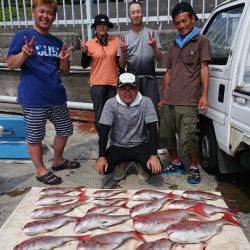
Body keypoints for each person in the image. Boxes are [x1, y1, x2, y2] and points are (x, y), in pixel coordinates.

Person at [6, 0, 80, 185]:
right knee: (35, 136)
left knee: (65, 129)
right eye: (42, 11)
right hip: (33, 98)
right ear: (33, 12)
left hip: (56, 97)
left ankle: (58, 160)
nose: (45, 16)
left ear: (54, 17)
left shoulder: (56, 42)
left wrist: (64, 61)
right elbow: (10, 65)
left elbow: (65, 72)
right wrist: (24, 54)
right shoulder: (22, 36)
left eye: (50, 13)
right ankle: (40, 170)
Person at [158, 2, 211, 184]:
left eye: (184, 21)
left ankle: (194, 167)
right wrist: (162, 98)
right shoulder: (173, 45)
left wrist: (204, 95)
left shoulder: (202, 41)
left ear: (193, 19)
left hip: (188, 100)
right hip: (169, 100)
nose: (181, 26)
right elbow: (169, 73)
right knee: (165, 134)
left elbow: (204, 68)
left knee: (188, 137)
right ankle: (176, 162)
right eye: (177, 23)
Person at [96, 72, 162, 181]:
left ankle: (138, 162)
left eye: (131, 88)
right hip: (118, 146)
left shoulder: (146, 102)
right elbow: (104, 131)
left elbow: (152, 130)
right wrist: (101, 156)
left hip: (139, 144)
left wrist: (154, 155)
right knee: (104, 169)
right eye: (123, 89)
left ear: (137, 89)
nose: (127, 93)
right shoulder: (110, 104)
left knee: (155, 170)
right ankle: (123, 162)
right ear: (117, 90)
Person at [80, 14, 122, 135]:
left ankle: (114, 141)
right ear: (95, 27)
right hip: (97, 84)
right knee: (99, 116)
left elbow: (121, 65)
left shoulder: (116, 41)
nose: (102, 27)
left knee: (114, 114)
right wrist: (84, 53)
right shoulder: (89, 43)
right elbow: (84, 65)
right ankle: (102, 140)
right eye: (99, 25)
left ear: (108, 27)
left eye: (104, 25)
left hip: (113, 84)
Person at [118, 1, 163, 109]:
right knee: (133, 113)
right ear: (129, 16)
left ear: (142, 14)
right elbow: (121, 65)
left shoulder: (152, 33)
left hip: (150, 79)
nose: (136, 15)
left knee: (151, 113)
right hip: (132, 81)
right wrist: (123, 51)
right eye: (133, 12)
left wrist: (154, 47)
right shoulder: (125, 37)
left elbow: (160, 58)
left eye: (138, 12)